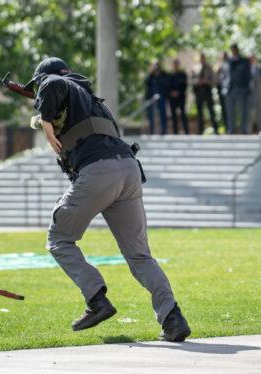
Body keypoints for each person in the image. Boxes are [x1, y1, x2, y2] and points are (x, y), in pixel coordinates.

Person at [25, 57, 190, 341]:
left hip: (98, 171)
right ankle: (172, 318)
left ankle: (97, 300)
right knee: (140, 256)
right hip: (128, 171)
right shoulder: (90, 99)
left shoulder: (55, 83)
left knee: (59, 239)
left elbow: (52, 84)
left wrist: (45, 121)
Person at [226, 44, 252, 134]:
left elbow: (248, 75)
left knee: (243, 111)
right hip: (230, 89)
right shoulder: (228, 61)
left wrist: (246, 88)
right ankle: (231, 130)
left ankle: (244, 130)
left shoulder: (244, 61)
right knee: (230, 112)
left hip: (241, 89)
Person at [192, 53, 218, 134]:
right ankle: (200, 132)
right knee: (200, 113)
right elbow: (191, 80)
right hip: (199, 93)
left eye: (203, 57)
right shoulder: (195, 68)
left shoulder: (209, 68)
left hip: (207, 92)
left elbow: (214, 80)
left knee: (211, 112)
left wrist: (206, 81)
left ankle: (216, 131)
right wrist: (197, 82)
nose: (202, 59)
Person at [144, 61, 169, 134]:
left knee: (162, 115)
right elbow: (146, 82)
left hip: (161, 98)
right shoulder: (151, 76)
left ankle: (164, 131)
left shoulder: (164, 75)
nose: (156, 68)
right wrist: (150, 73)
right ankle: (152, 131)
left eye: (158, 66)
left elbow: (166, 84)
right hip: (151, 98)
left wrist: (159, 76)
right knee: (151, 116)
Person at [168, 59, 189, 134]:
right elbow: (167, 86)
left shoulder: (183, 74)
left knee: (183, 114)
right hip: (172, 98)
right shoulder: (169, 75)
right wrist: (172, 93)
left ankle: (186, 132)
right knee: (174, 116)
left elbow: (185, 85)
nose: (175, 65)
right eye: (174, 64)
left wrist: (179, 92)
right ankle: (175, 132)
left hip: (181, 97)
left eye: (177, 64)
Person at [249, 55, 261, 135]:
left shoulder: (259, 67)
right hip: (249, 93)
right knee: (249, 112)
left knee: (260, 111)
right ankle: (249, 129)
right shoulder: (246, 68)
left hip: (258, 93)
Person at [215, 52, 229, 128]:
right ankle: (227, 126)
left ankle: (230, 126)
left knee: (229, 109)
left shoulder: (229, 65)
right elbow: (216, 76)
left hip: (229, 89)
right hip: (220, 88)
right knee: (224, 108)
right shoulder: (219, 66)